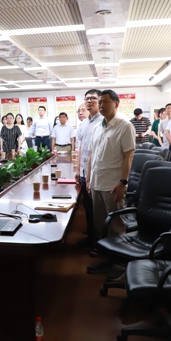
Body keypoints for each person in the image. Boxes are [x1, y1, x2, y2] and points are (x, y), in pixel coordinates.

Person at [86, 90, 136, 275]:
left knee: (115, 226)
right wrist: (89, 179)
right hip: (96, 184)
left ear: (117, 103)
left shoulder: (124, 126)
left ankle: (119, 265)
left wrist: (123, 182)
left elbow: (129, 156)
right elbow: (92, 156)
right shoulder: (97, 127)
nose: (101, 105)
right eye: (100, 102)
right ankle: (105, 259)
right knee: (100, 225)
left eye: (106, 102)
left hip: (113, 185)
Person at [75, 89, 103, 247]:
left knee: (97, 209)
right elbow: (81, 148)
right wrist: (78, 169)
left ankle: (98, 242)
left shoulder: (103, 121)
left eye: (93, 98)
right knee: (87, 206)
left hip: (97, 173)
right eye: (87, 98)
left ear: (100, 101)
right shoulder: (84, 123)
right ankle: (91, 235)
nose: (89, 101)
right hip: (84, 171)